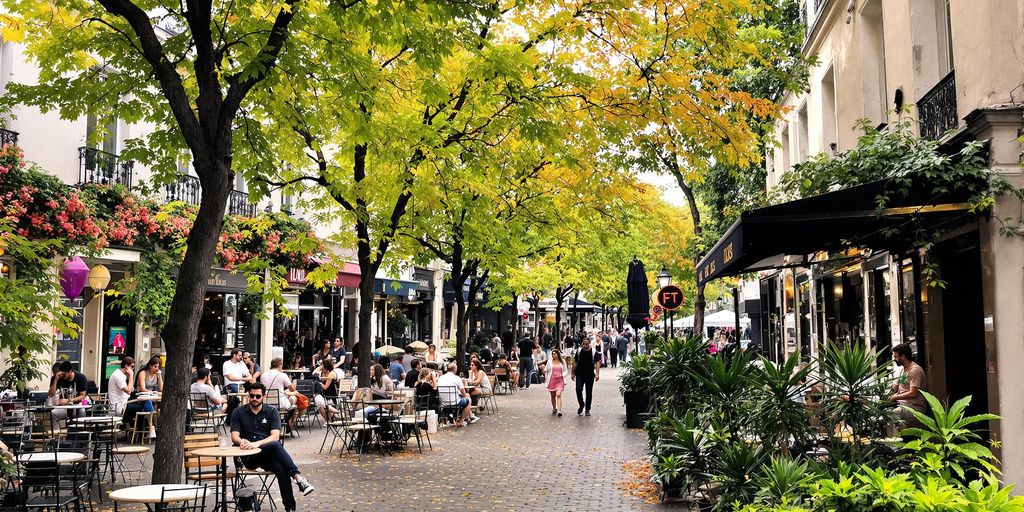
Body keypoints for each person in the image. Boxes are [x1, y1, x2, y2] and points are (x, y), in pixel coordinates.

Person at [230, 382, 315, 512]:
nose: (254, 399)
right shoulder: (238, 412)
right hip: (249, 457)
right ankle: (299, 478)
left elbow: (275, 436)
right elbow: (234, 436)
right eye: (252, 396)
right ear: (248, 395)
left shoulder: (271, 411)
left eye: (258, 396)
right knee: (276, 446)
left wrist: (257, 443)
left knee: (281, 468)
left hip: (267, 455)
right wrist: (241, 441)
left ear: (264, 396)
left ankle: (290, 508)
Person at [108, 357, 157, 438]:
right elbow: (128, 391)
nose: (133, 369)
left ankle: (143, 432)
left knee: (146, 402)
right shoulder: (118, 375)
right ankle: (147, 431)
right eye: (132, 367)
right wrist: (131, 375)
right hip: (120, 405)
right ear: (126, 366)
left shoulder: (122, 375)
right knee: (143, 407)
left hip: (125, 401)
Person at [890, 343, 927, 427]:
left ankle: (895, 438)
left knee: (890, 414)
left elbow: (913, 393)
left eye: (895, 357)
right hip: (902, 404)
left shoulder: (915, 370)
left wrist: (895, 397)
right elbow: (895, 388)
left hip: (915, 407)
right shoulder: (902, 370)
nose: (894, 359)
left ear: (903, 356)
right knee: (881, 410)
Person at [261, 357, 301, 431]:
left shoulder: (263, 375)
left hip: (266, 402)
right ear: (280, 365)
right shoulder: (282, 375)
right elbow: (292, 389)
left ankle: (283, 423)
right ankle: (286, 423)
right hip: (280, 403)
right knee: (294, 398)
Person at [48, 361, 88, 426]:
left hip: (77, 405)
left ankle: (81, 433)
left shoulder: (81, 378)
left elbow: (82, 396)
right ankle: (55, 434)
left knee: (82, 411)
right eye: (61, 373)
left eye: (64, 374)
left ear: (70, 371)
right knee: (53, 414)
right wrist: (55, 380)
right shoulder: (57, 377)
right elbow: (50, 394)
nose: (62, 376)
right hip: (64, 407)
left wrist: (68, 400)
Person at [572, 337, 600, 416]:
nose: (585, 345)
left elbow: (597, 363)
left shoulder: (594, 352)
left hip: (589, 375)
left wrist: (597, 374)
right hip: (580, 374)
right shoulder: (579, 351)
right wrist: (572, 373)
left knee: (588, 392)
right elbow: (575, 361)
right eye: (583, 344)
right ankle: (581, 404)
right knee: (578, 389)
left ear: (589, 344)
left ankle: (587, 409)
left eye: (586, 344)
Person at [546, 349, 568, 416]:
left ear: (558, 354)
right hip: (552, 380)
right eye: (552, 354)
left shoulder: (562, 361)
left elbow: (565, 371)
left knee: (558, 394)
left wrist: (562, 375)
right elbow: (546, 369)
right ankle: (554, 408)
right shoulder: (549, 361)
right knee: (553, 395)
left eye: (555, 354)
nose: (553, 355)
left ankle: (559, 410)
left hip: (560, 380)